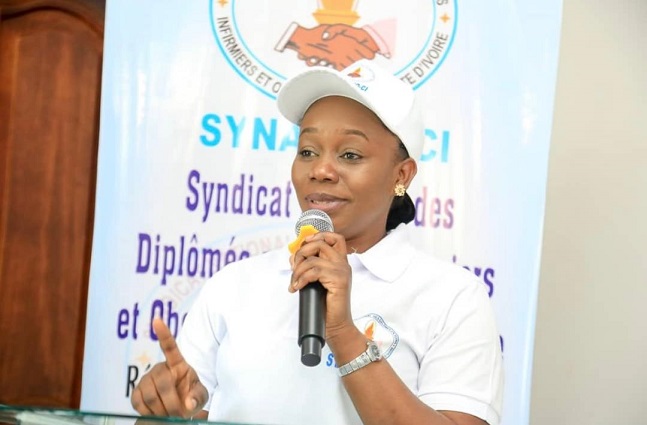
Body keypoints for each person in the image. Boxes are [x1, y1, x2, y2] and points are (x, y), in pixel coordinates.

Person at [131, 59, 504, 425]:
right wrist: (166, 414)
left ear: (401, 176)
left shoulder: (453, 297)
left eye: (350, 154)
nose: (321, 170)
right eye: (307, 151)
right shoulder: (234, 284)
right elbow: (187, 408)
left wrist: (343, 334)